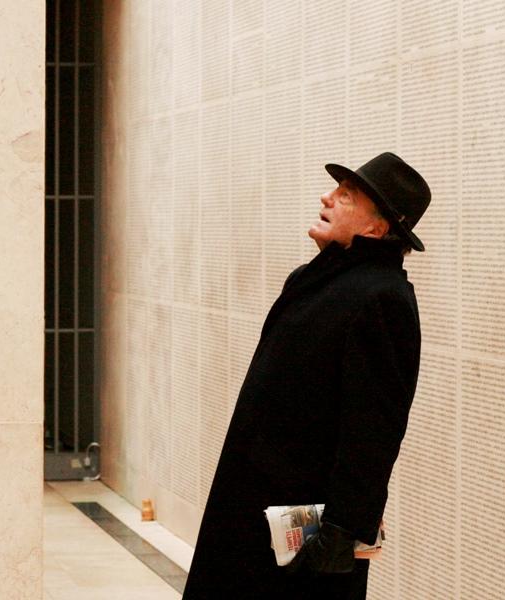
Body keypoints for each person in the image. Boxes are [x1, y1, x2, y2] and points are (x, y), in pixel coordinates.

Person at [182, 152, 431, 600]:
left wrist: (340, 532)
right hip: (253, 507)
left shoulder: (383, 298)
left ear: (376, 228)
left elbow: (374, 431)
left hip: (305, 532)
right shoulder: (313, 279)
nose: (327, 197)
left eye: (346, 196)